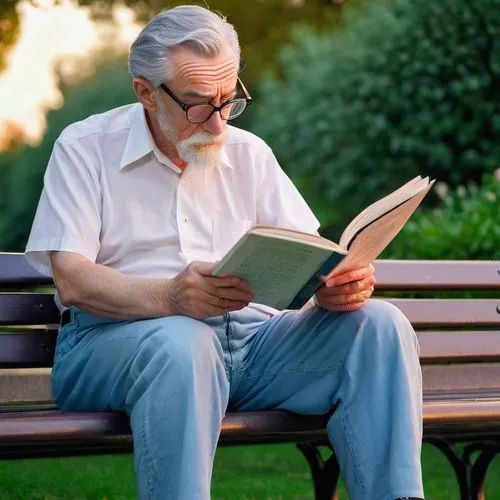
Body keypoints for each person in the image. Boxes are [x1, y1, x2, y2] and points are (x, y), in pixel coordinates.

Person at [25, 5, 424, 500]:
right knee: (182, 342)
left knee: (380, 326)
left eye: (228, 101)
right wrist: (172, 297)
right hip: (114, 346)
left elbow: (311, 258)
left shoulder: (250, 154)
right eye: (198, 106)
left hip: (251, 349)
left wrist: (335, 287)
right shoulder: (84, 148)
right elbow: (73, 281)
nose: (218, 126)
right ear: (146, 93)